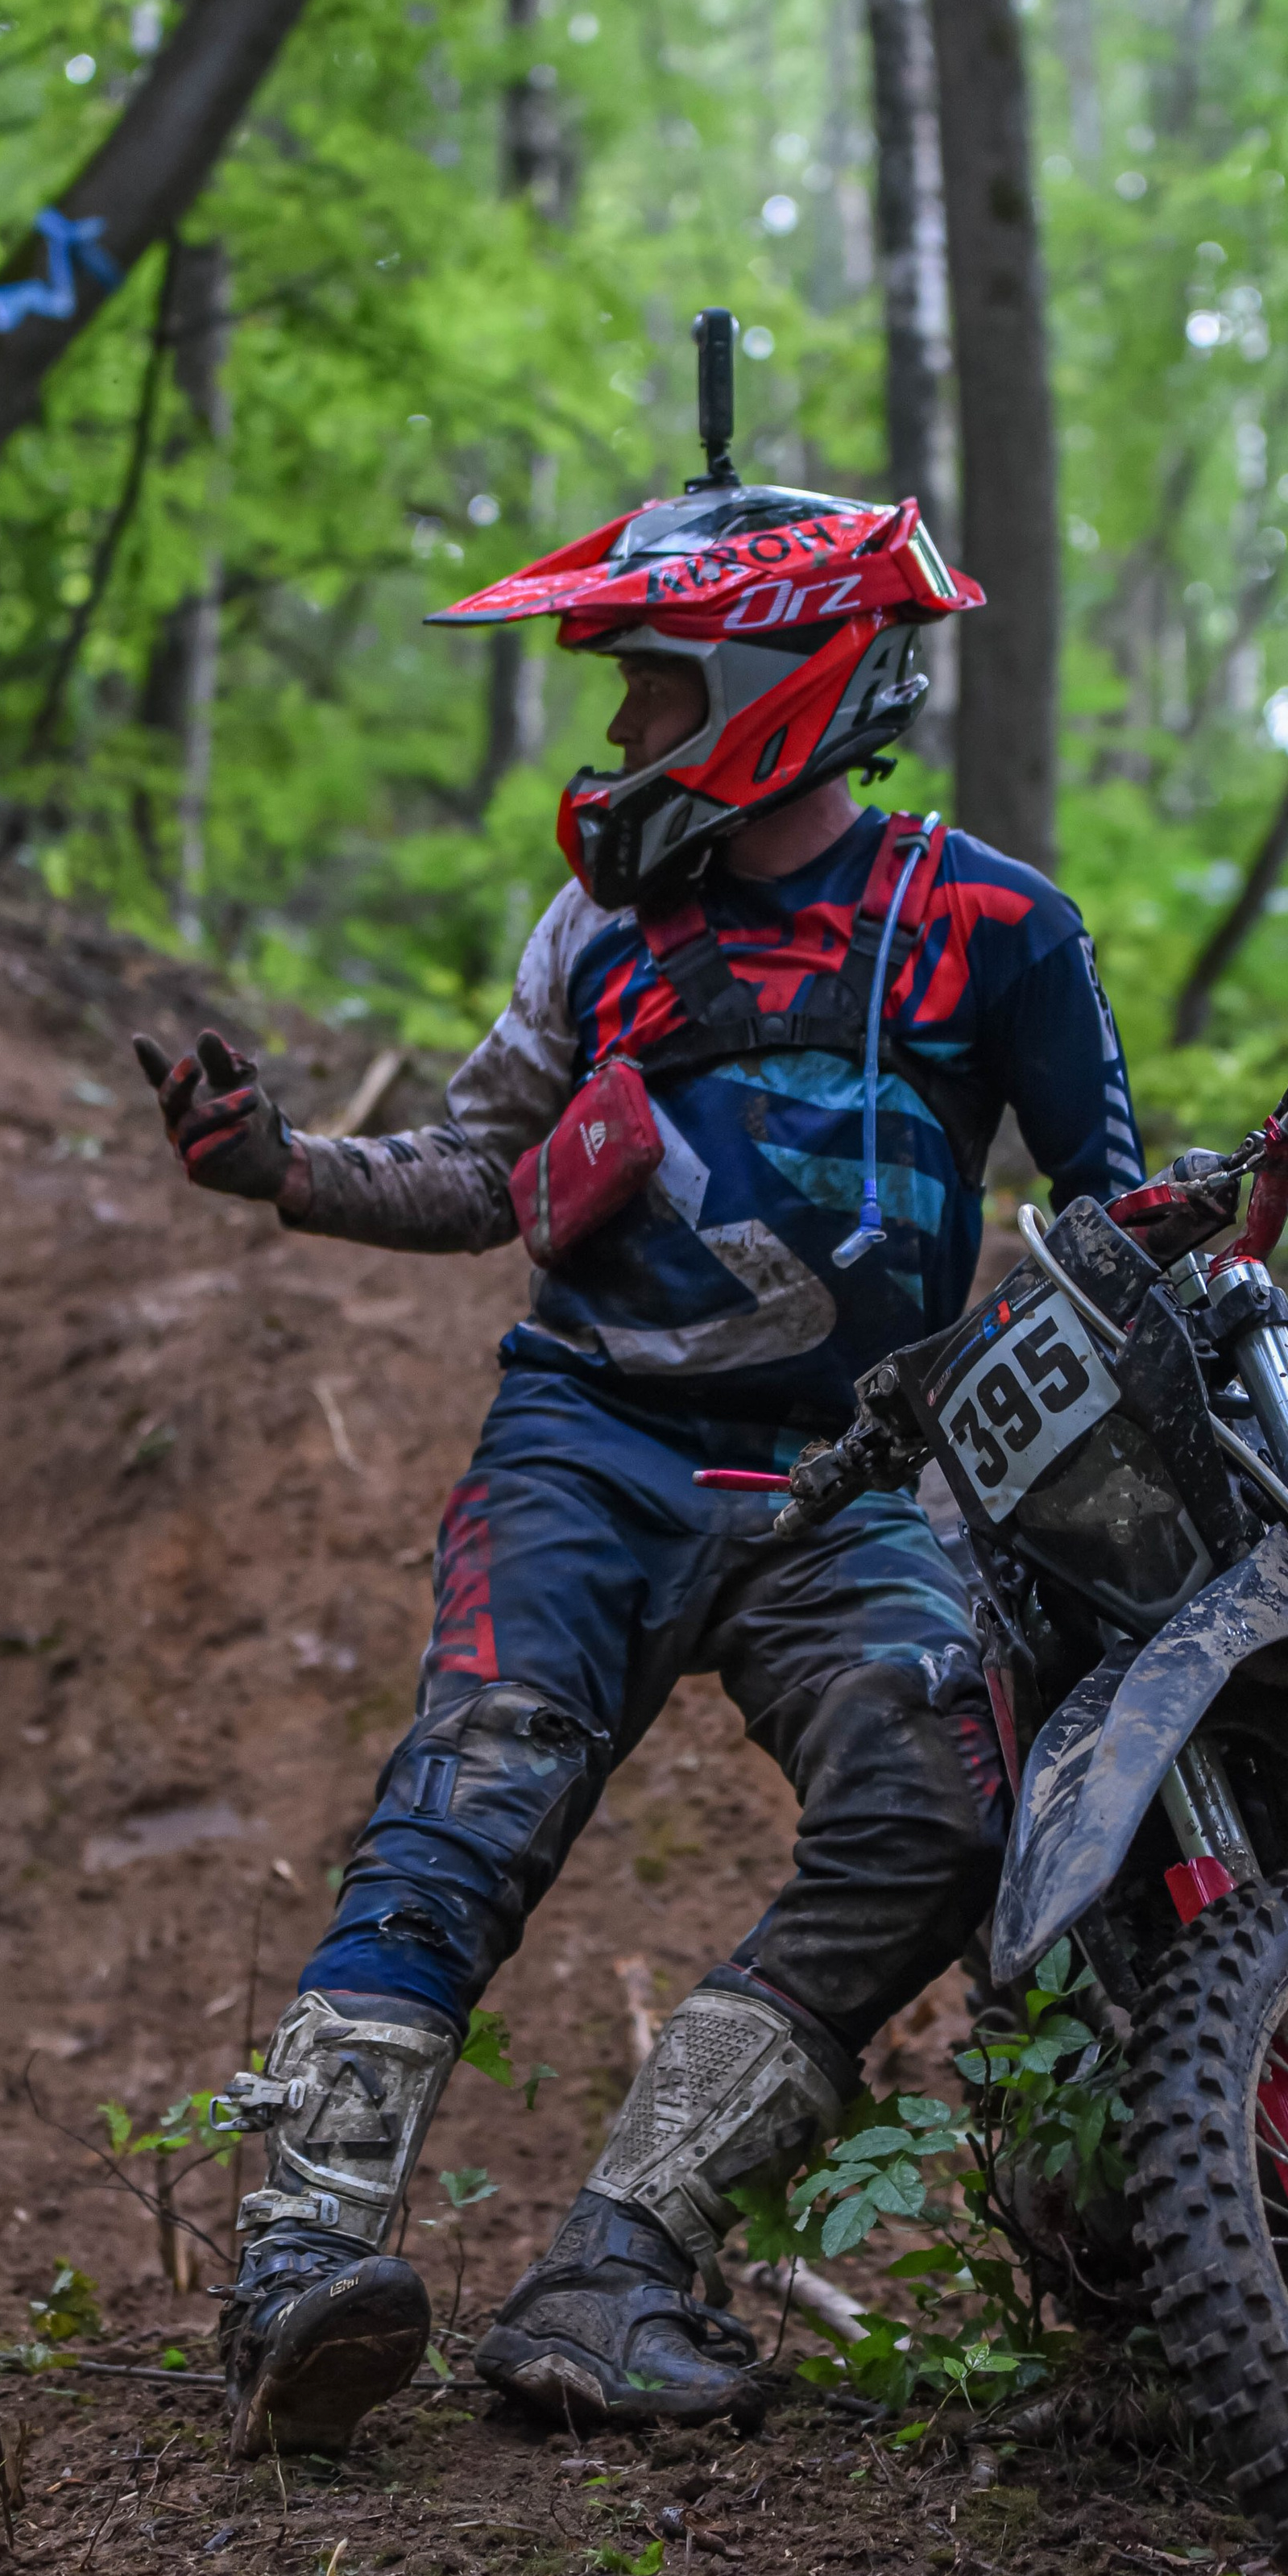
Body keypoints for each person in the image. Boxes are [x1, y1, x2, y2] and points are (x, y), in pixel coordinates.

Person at [134, 435, 1142, 2463]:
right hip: (583, 1441)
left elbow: (1105, 1204)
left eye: (652, 688)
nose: (619, 732)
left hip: (856, 1476)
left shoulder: (997, 929)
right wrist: (281, 1170)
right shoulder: (594, 937)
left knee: (932, 1821)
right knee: (470, 1797)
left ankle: (616, 2263)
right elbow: (478, 1164)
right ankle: (297, 2266)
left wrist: (1185, 1252)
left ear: (778, 682)